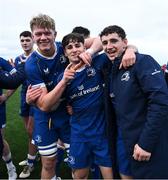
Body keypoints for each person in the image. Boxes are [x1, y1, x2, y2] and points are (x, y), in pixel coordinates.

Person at [24, 13, 104, 179]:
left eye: (47, 33)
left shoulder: (65, 46)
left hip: (69, 115)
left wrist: (88, 52)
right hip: (45, 118)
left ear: (55, 34)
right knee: (48, 162)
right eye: (38, 34)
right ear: (33, 36)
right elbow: (45, 105)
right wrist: (64, 82)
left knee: (80, 162)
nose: (43, 37)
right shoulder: (32, 64)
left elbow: (98, 40)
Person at [99, 25, 168, 178]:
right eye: (105, 43)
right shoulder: (110, 68)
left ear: (125, 42)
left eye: (113, 41)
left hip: (145, 141)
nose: (109, 46)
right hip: (122, 140)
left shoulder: (143, 62)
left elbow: (160, 102)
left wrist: (146, 143)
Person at [7, 31, 38, 179]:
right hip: (23, 94)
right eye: (22, 40)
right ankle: (33, 155)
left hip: (36, 95)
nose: (25, 42)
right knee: (28, 131)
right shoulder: (19, 59)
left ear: (33, 40)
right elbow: (16, 81)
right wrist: (6, 96)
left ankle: (31, 163)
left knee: (32, 130)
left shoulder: (38, 56)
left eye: (27, 40)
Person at [0, 57, 18, 180]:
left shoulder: (1, 61)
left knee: (0, 140)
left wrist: (6, 95)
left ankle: (10, 166)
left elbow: (16, 78)